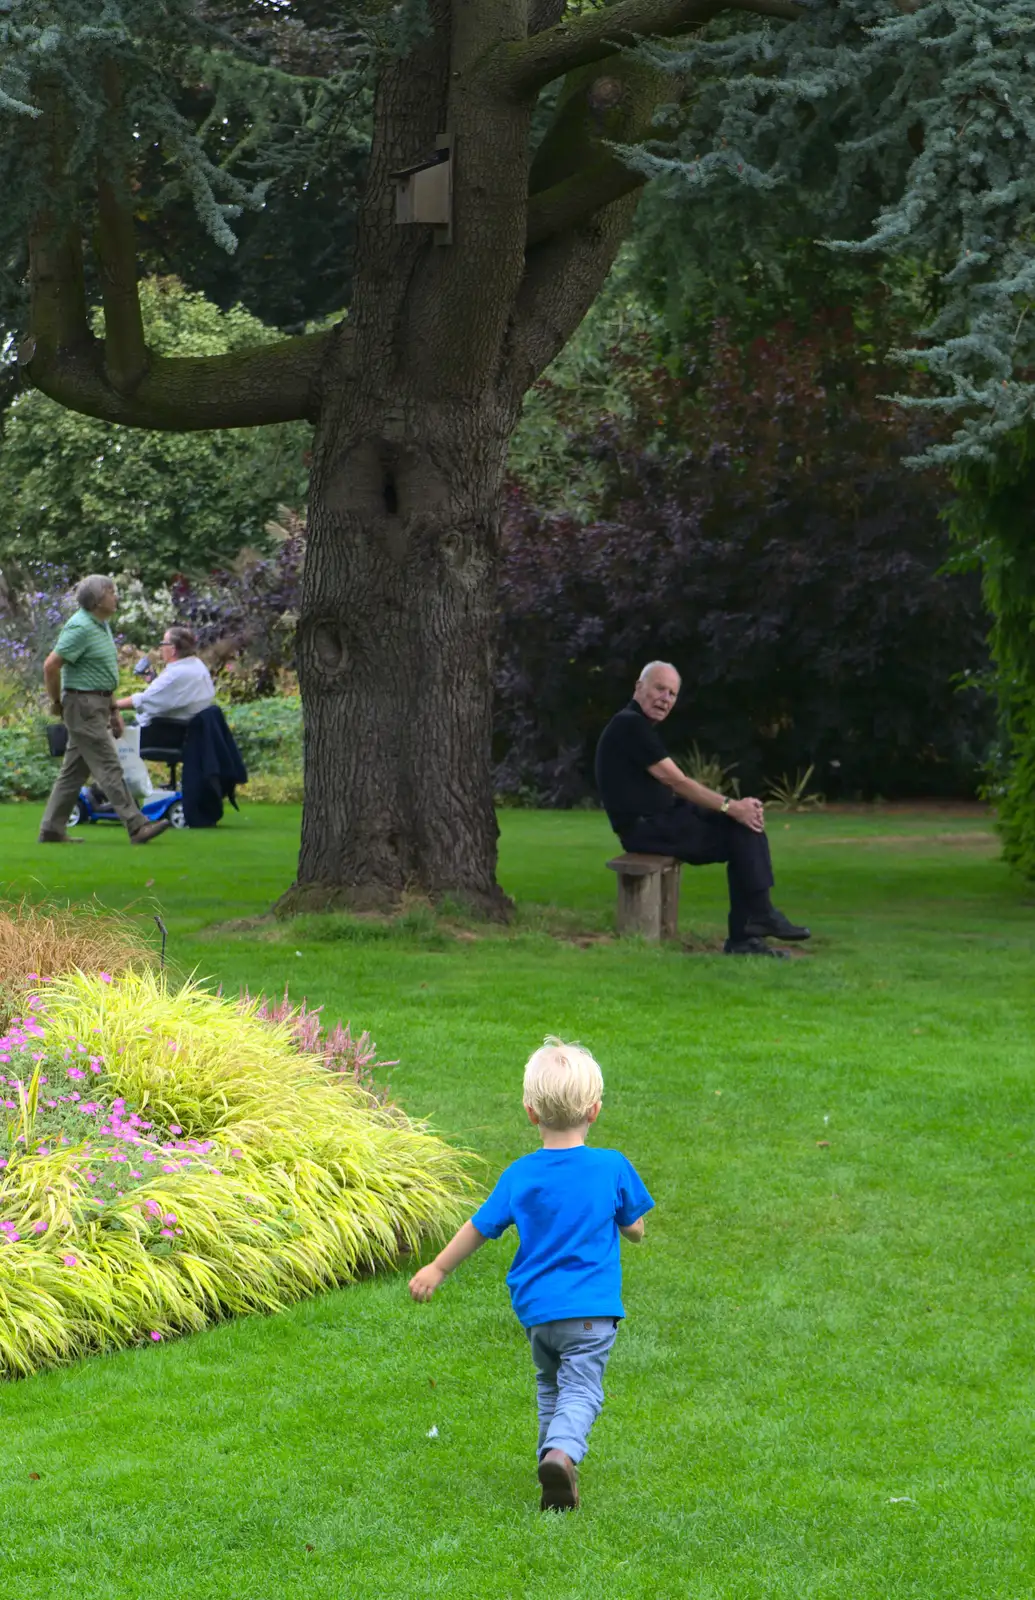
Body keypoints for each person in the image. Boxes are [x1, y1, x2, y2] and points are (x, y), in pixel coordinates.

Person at [409, 1037, 653, 1513]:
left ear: (530, 1112)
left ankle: (554, 1478)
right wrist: (633, 1226)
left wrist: (438, 1267)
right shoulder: (611, 1166)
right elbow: (635, 1228)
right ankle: (561, 1454)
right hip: (591, 1312)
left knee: (550, 1385)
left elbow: (479, 1228)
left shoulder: (520, 1175)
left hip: (538, 1314)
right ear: (596, 1110)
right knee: (582, 1388)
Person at [594, 661, 810, 956]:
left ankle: (754, 922)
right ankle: (750, 928)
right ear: (638, 687)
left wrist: (740, 810)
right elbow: (676, 780)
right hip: (645, 828)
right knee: (739, 829)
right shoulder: (629, 725)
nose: (665, 698)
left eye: (672, 693)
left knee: (745, 823)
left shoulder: (638, 725)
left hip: (668, 816)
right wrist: (731, 806)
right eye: (660, 688)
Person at [39, 575, 171, 846]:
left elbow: (102, 674)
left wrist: (113, 711)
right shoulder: (80, 627)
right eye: (112, 592)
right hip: (83, 706)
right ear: (97, 599)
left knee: (73, 772)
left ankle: (52, 829)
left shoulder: (101, 626)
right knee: (109, 765)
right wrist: (56, 702)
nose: (116, 597)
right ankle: (137, 825)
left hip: (97, 705)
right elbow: (51, 665)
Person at [114, 624, 215, 728]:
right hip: (186, 728)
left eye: (163, 643)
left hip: (160, 732)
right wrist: (153, 680)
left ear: (173, 649)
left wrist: (113, 705)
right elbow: (170, 692)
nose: (160, 648)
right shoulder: (197, 664)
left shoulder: (177, 674)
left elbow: (144, 701)